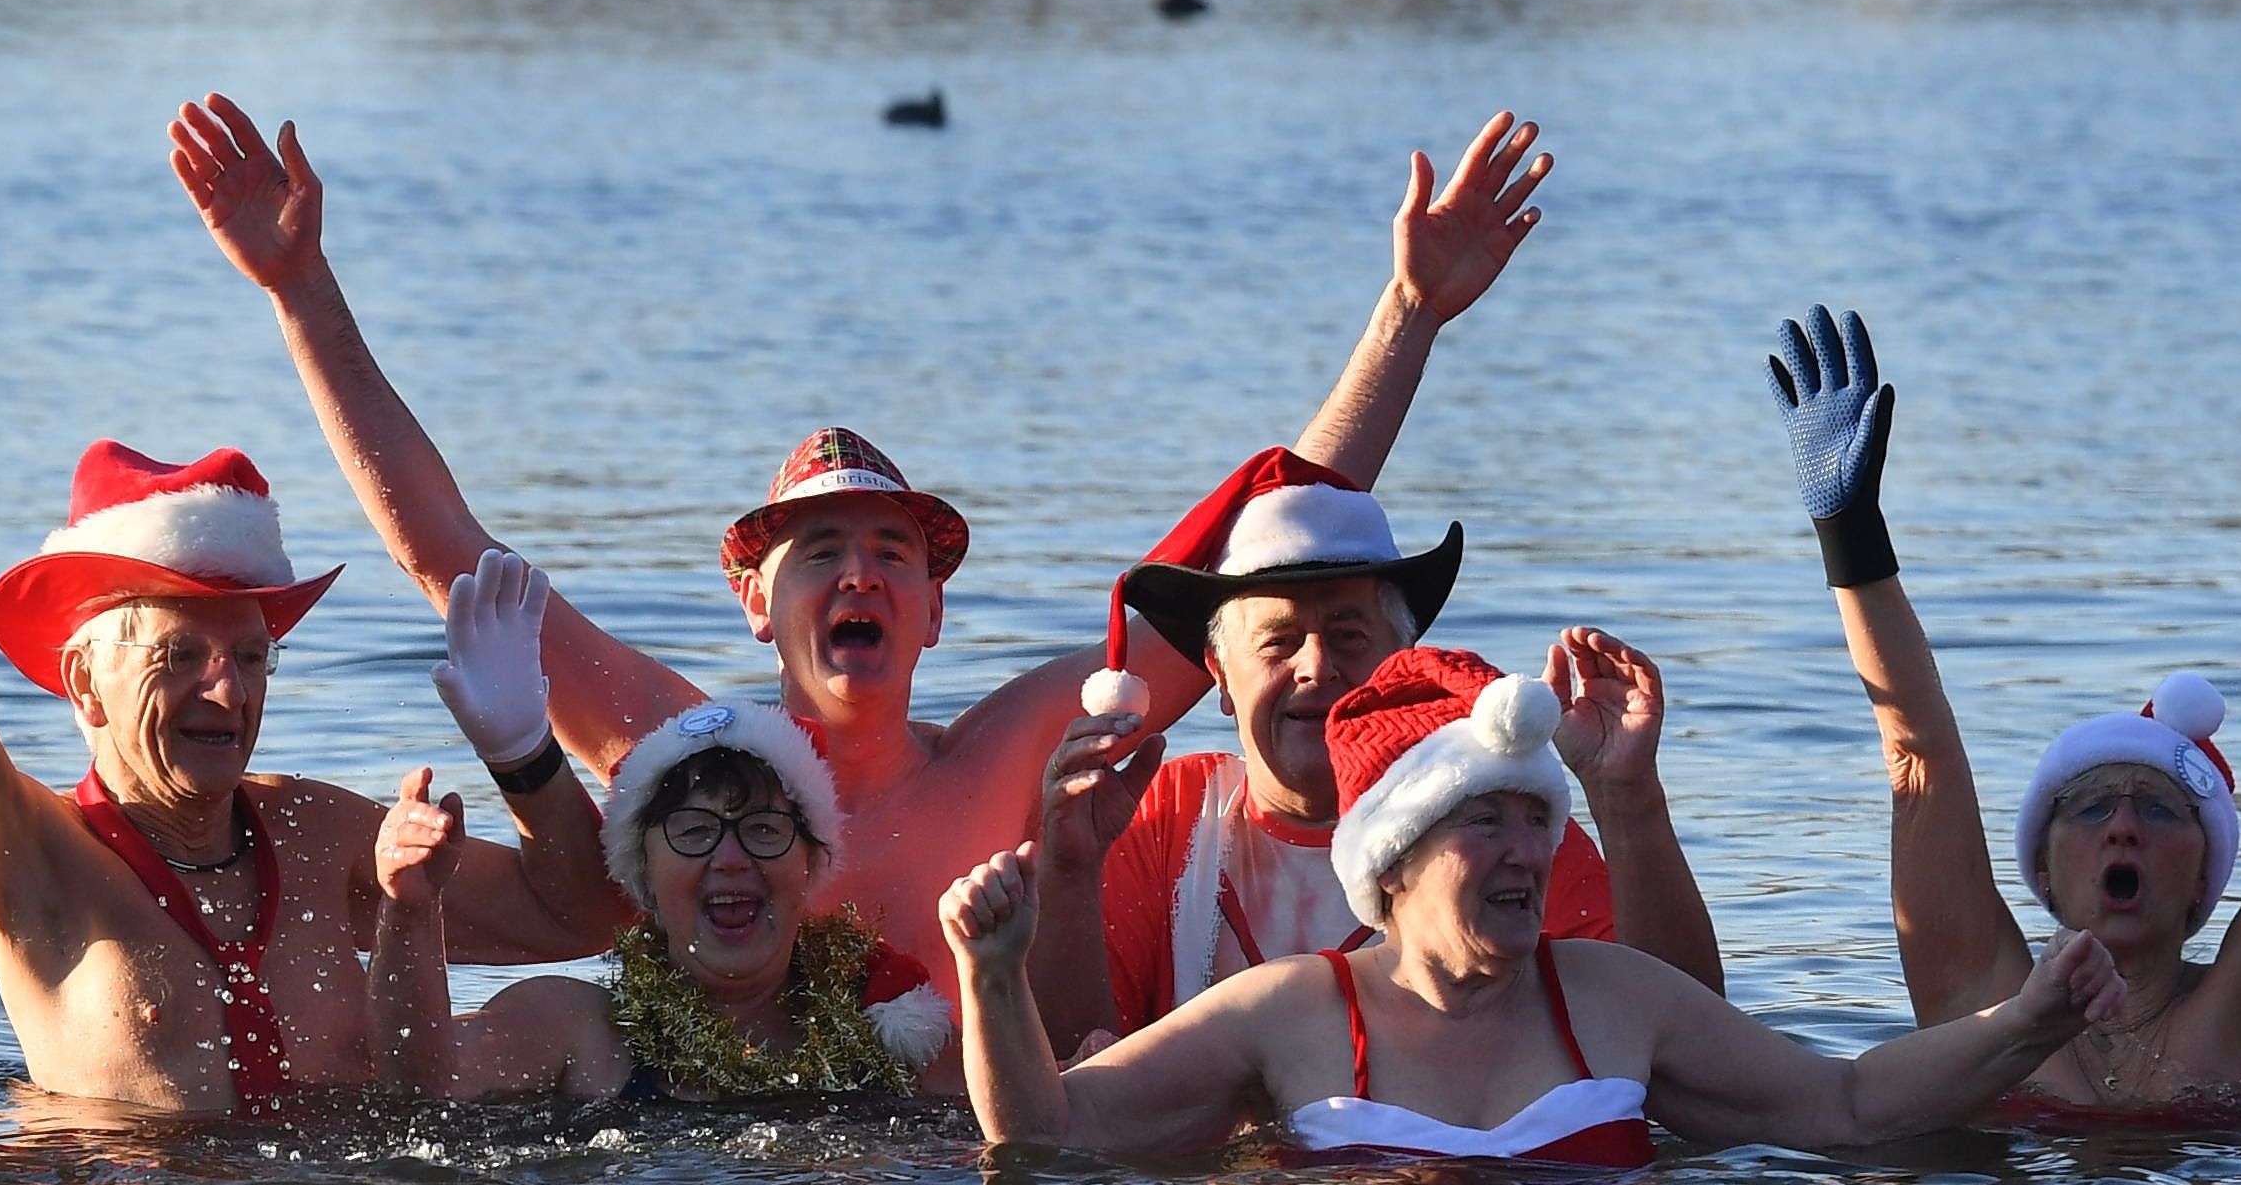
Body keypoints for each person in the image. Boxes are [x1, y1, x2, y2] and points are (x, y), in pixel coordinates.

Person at [162, 89, 1554, 932]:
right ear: (755, 600)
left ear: (937, 606)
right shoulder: (683, 751)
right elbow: (448, 561)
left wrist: (1408, 318)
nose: (860, 576)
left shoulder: (1011, 757)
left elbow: (1258, 560)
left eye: (892, 552)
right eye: (821, 551)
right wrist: (301, 295)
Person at [0, 229, 618, 1114]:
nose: (229, 692)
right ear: (85, 682)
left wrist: (523, 753)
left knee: (580, 1020)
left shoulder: (317, 832)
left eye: (250, 656)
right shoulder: (34, 857)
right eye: (181, 657)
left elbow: (578, 916)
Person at [937, 642, 2132, 1163]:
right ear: (1393, 864)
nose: (1523, 851)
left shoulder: (1613, 1000)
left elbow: (1849, 1105)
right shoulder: (1284, 1016)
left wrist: (2023, 1027)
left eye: (1533, 820)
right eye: (1482, 822)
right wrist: (993, 977)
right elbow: (1047, 1138)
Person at [1764, 311, 2241, 1110]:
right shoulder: (1980, 998)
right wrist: (1849, 532)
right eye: (2095, 805)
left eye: (2162, 812)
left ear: (2203, 881)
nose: (2124, 827)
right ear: (2041, 869)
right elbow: (1917, 761)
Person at [1011, 444, 1719, 1055]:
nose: (1317, 668)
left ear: (1403, 664)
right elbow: (1070, 1096)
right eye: (1279, 643)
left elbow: (1691, 1053)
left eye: (1349, 636)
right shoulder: (1168, 816)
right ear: (1221, 677)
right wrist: (1070, 870)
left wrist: (1627, 800)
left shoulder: (1501, 818)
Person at [438, 697, 959, 1108]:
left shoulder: (898, 1039)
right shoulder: (579, 1029)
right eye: (693, 832)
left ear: (810, 864)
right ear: (645, 877)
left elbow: (1027, 1139)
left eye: (763, 829)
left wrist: (992, 973)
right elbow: (415, 1088)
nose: (730, 859)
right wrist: (407, 914)